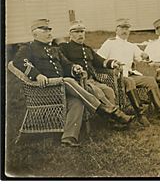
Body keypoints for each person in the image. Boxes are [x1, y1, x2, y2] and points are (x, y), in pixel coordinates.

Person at [13, 19, 134, 147]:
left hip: (60, 87)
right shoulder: (28, 48)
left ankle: (69, 137)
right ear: (35, 34)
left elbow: (66, 64)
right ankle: (109, 110)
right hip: (44, 88)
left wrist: (74, 68)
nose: (49, 33)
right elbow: (19, 62)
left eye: (49, 30)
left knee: (77, 101)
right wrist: (36, 75)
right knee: (69, 81)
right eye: (44, 30)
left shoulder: (54, 50)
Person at [98, 18, 160, 126]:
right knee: (130, 81)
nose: (125, 31)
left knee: (150, 80)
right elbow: (100, 60)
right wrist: (112, 67)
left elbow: (140, 57)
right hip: (114, 77)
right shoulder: (109, 43)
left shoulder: (131, 45)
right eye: (122, 28)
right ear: (116, 30)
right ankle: (141, 115)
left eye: (127, 29)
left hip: (129, 75)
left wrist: (145, 56)